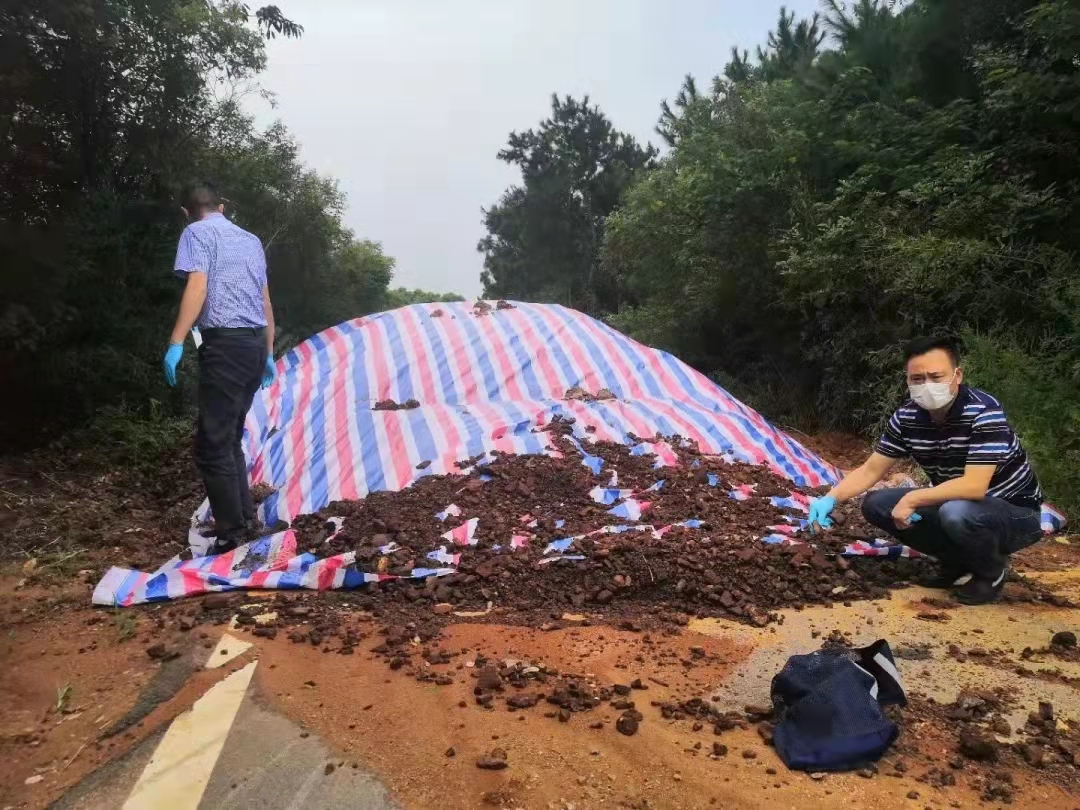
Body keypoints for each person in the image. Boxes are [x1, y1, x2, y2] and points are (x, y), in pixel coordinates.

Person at [807, 336, 1043, 605]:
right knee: (877, 504)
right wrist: (830, 498)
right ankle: (956, 562)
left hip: (1015, 512)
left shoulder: (983, 412)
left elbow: (974, 486)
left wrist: (913, 498)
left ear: (957, 376)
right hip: (957, 503)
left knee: (955, 512)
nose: (927, 386)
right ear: (907, 381)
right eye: (918, 379)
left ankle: (990, 571)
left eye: (936, 377)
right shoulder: (907, 417)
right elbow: (871, 470)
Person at [163, 182, 277, 554]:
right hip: (254, 344)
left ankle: (231, 535)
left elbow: (198, 286)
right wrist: (268, 352)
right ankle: (245, 522)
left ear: (186, 212)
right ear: (222, 207)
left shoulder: (195, 233)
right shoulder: (251, 240)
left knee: (212, 446)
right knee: (229, 439)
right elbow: (264, 300)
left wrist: (176, 341)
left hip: (225, 346)